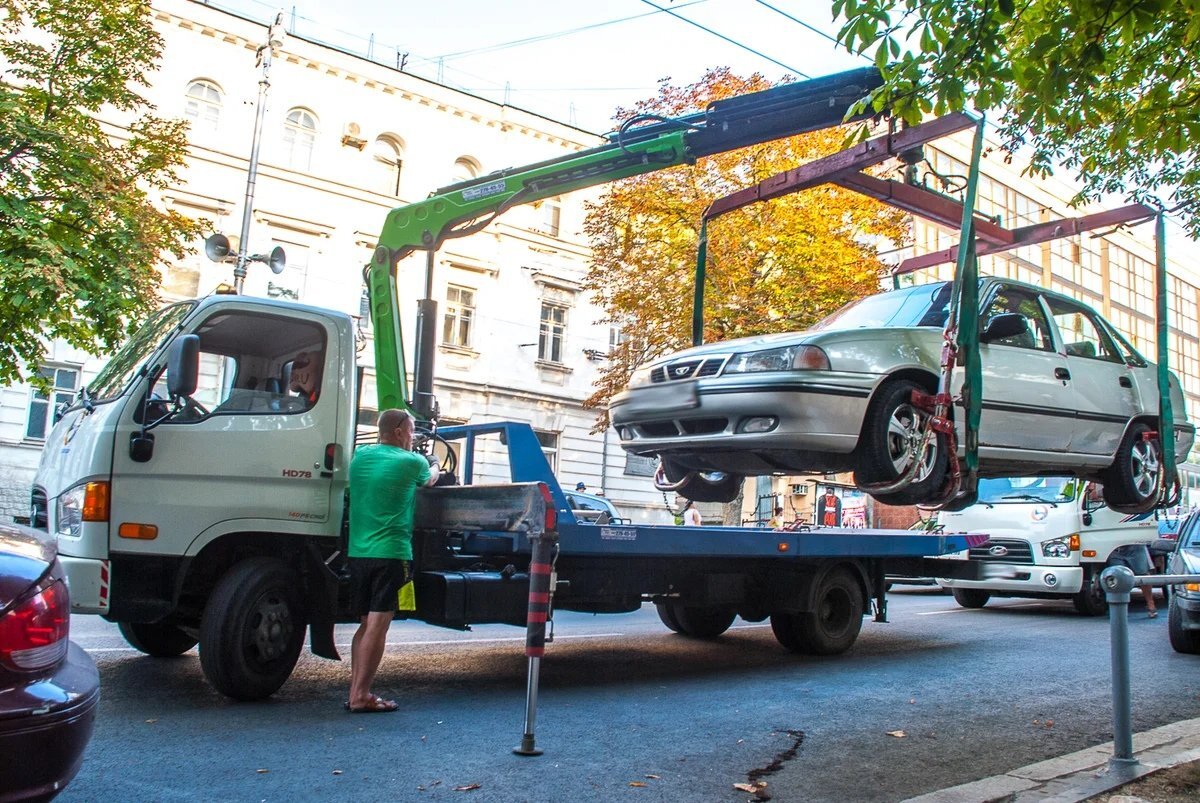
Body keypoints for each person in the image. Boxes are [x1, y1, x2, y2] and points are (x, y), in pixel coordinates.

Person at [346, 408, 439, 713]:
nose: (413, 437)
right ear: (399, 431)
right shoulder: (412, 462)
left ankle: (355, 692)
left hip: (359, 552)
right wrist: (433, 461)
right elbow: (430, 481)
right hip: (392, 553)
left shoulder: (360, 457)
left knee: (365, 625)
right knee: (379, 625)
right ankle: (361, 696)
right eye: (411, 431)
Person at [1110, 543, 1159, 618]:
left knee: (1143, 573)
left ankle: (1150, 603)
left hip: (1135, 545)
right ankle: (1121, 607)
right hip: (1113, 548)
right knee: (1118, 576)